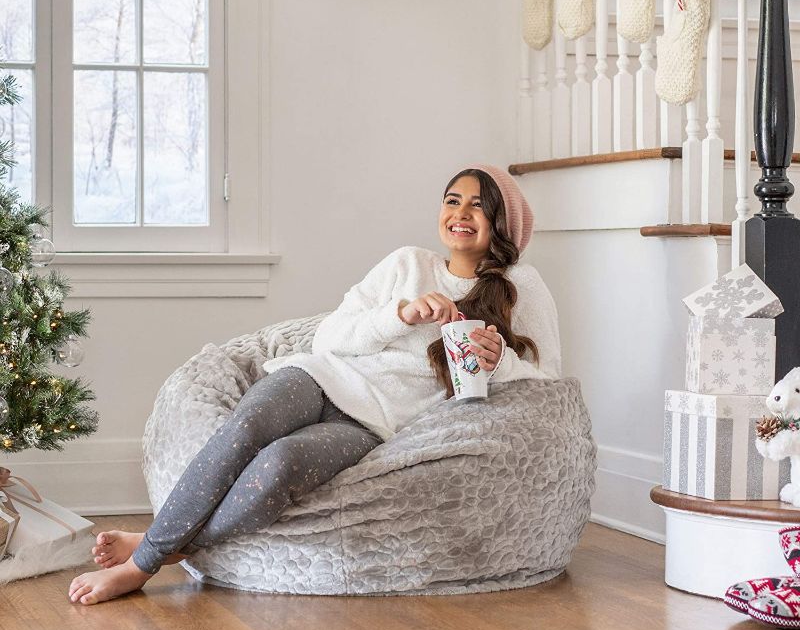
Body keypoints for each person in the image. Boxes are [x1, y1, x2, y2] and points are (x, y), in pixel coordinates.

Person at [68, 163, 561, 605]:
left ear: (503, 222)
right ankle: (142, 565)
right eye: (453, 200)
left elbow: (547, 380)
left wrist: (499, 364)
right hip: (320, 377)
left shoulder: (523, 286)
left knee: (279, 467)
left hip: (373, 423)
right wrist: (400, 315)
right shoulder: (407, 264)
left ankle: (166, 543)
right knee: (245, 430)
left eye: (479, 205)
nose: (461, 213)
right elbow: (331, 335)